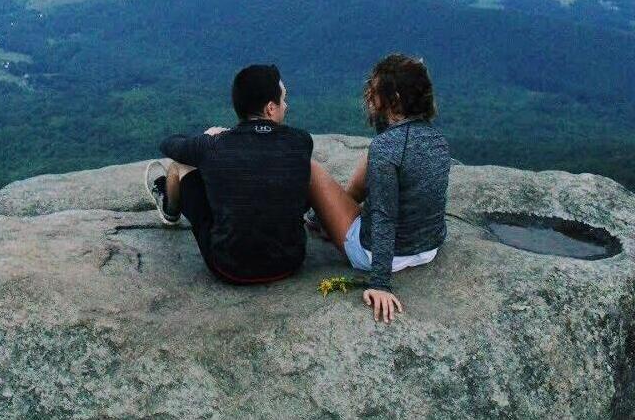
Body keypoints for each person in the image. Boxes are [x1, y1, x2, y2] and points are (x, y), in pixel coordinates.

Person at [307, 53, 450, 322]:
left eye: (373, 93)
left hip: (378, 254)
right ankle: (325, 219)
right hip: (428, 249)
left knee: (309, 169)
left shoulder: (387, 148)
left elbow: (385, 217)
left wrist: (380, 283)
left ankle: (321, 220)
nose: (369, 98)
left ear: (393, 99)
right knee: (373, 156)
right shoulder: (437, 140)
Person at [145, 64, 313, 284]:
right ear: (270, 108)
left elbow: (168, 144)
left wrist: (206, 137)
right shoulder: (301, 141)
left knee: (180, 165)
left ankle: (170, 210)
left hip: (229, 268)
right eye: (283, 99)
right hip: (290, 262)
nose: (286, 106)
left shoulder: (215, 145)